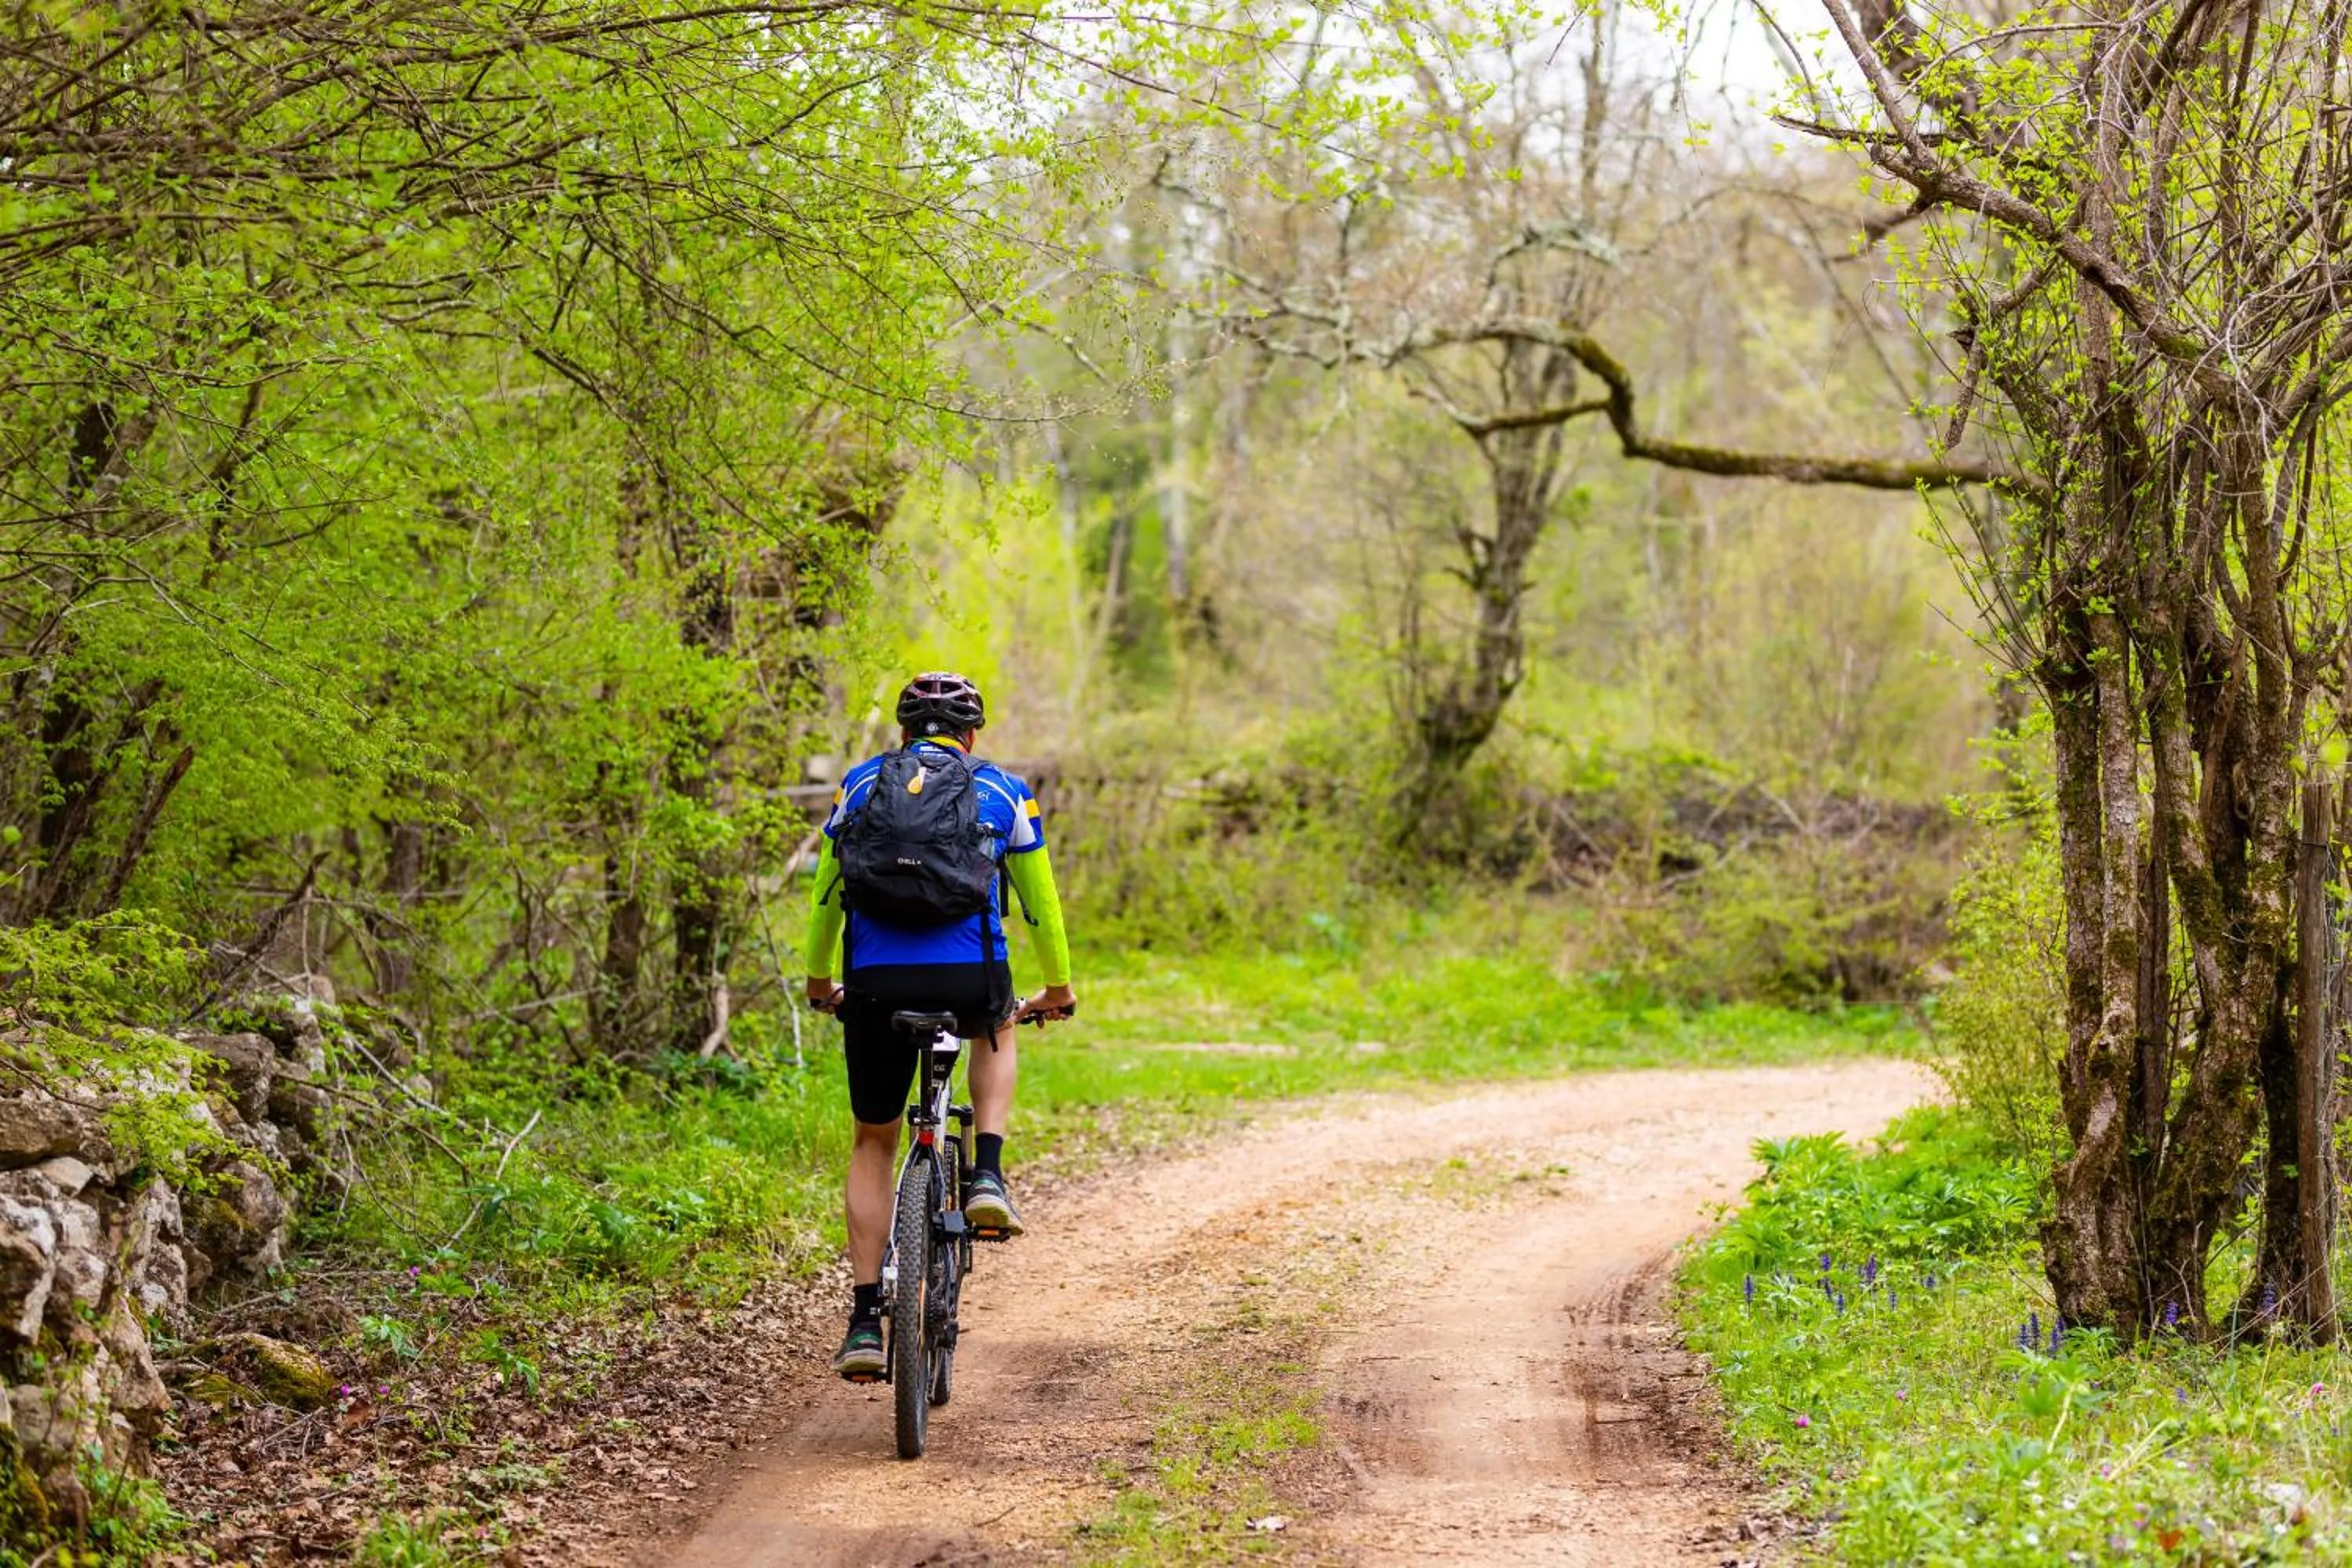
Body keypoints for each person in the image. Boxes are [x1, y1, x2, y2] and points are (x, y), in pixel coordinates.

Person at [802, 671, 1075, 1381]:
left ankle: (866, 1320)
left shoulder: (860, 786)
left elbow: (828, 896)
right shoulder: (1006, 791)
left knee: (873, 1139)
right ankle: (987, 1174)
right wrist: (1058, 988)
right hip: (968, 981)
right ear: (971, 736)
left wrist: (819, 980)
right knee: (999, 1023)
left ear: (902, 733)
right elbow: (1041, 904)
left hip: (874, 985)